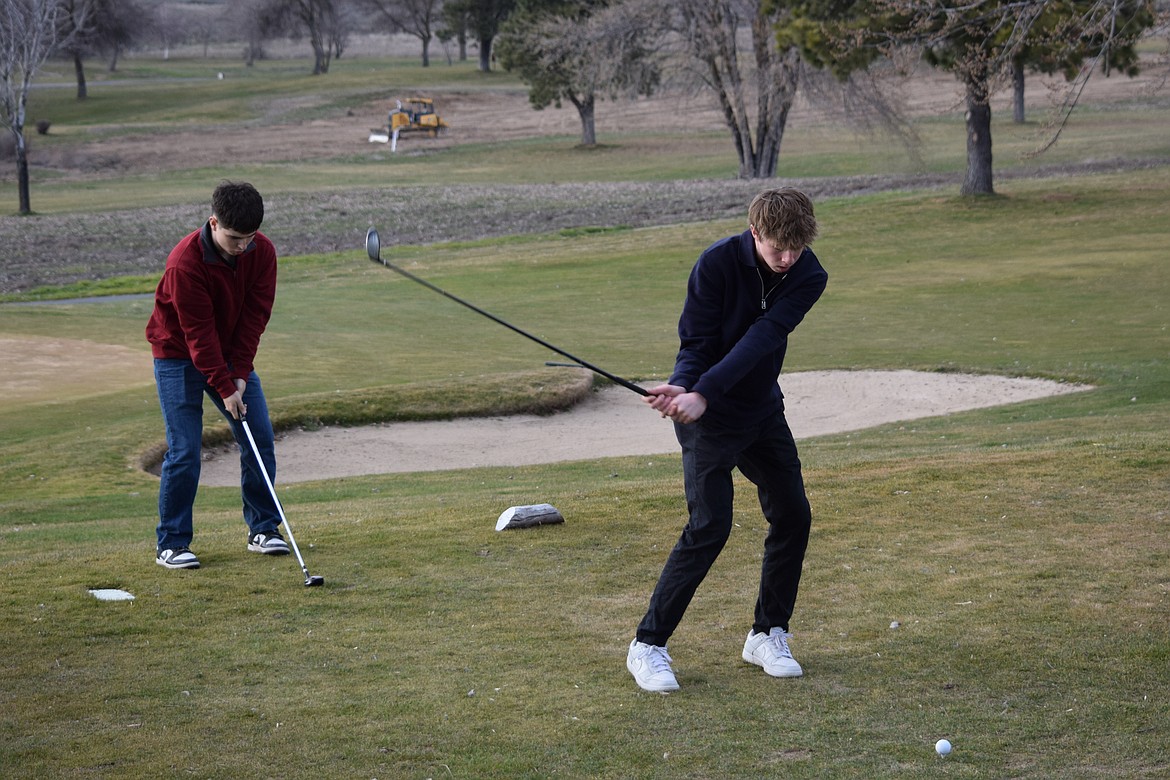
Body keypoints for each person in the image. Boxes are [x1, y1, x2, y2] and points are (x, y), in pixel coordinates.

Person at [627, 188, 828, 692]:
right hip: (709, 422)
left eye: (796, 249)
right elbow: (695, 342)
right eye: (779, 248)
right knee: (710, 526)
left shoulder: (808, 274)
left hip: (759, 411)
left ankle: (767, 633)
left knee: (792, 513)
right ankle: (647, 646)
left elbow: (761, 339)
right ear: (754, 232)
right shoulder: (716, 263)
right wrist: (686, 387)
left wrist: (705, 392)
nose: (788, 259)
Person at [146, 181, 289, 570]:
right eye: (234, 238)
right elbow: (198, 336)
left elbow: (254, 318)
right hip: (177, 356)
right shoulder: (184, 264)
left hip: (228, 355)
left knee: (258, 436)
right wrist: (225, 388)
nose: (242, 246)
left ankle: (263, 529)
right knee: (185, 450)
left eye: (249, 238)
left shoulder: (263, 253)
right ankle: (172, 544)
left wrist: (239, 375)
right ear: (213, 223)